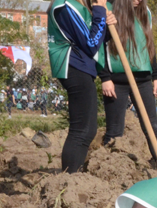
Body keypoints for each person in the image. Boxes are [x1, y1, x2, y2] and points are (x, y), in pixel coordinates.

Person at [47, 0, 117, 173]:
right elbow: (91, 44)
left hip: (83, 69)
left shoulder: (81, 7)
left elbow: (96, 39)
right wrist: (100, 12)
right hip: (74, 67)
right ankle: (69, 179)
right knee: (81, 130)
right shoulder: (66, 6)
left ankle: (72, 177)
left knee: (88, 130)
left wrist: (107, 25)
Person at [98, 0, 157, 166]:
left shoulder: (146, 13)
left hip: (143, 79)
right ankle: (109, 171)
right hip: (117, 81)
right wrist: (105, 78)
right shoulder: (108, 10)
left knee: (152, 128)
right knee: (114, 131)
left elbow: (148, 46)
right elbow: (99, 47)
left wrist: (155, 76)